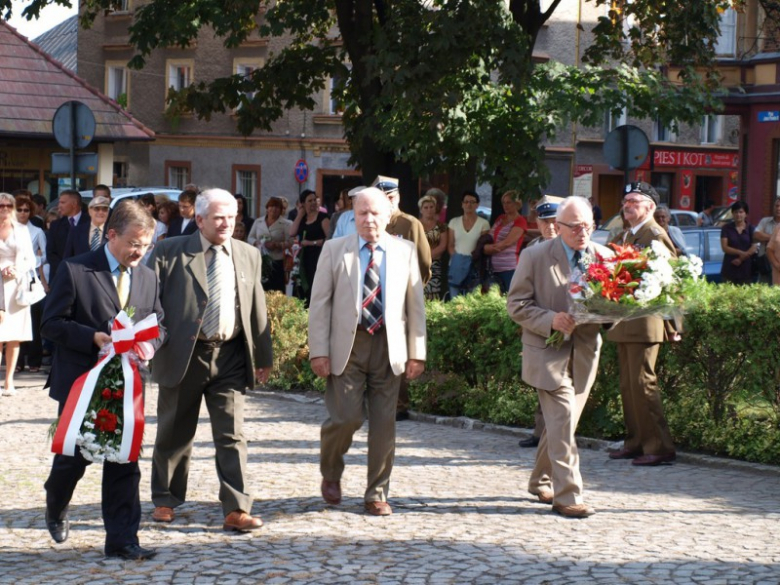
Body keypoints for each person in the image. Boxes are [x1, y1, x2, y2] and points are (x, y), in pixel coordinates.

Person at [41, 200, 164, 560]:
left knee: (125, 460)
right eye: (134, 243)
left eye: (147, 244)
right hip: (83, 382)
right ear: (111, 235)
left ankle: (123, 540)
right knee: (73, 458)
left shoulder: (147, 276)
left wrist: (150, 345)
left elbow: (158, 322)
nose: (140, 251)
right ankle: (56, 502)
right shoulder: (76, 269)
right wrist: (92, 338)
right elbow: (50, 324)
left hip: (127, 384)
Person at [148, 188, 273, 532]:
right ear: (199, 219)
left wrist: (263, 355)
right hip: (183, 354)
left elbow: (255, 306)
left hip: (230, 355)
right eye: (219, 217)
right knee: (174, 431)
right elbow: (145, 301)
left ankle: (236, 508)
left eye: (232, 217)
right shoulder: (168, 251)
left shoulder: (248, 254)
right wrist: (144, 345)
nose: (227, 224)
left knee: (232, 435)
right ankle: (165, 499)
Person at [308, 186, 426, 516]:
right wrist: (318, 351)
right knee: (346, 417)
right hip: (348, 344)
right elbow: (319, 304)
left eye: (375, 213)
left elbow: (416, 307)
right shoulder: (334, 250)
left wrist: (417, 352)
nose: (369, 219)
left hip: (389, 346)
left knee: (385, 423)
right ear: (352, 216)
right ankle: (331, 471)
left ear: (388, 216)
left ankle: (377, 493)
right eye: (362, 213)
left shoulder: (404, 251)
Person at [507, 196, 608, 518]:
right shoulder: (535, 256)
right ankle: (568, 496)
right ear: (558, 226)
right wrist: (550, 319)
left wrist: (613, 312)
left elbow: (612, 309)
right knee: (563, 421)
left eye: (589, 225)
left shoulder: (604, 256)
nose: (583, 232)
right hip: (547, 354)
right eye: (576, 226)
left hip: (585, 354)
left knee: (560, 425)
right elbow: (516, 305)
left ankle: (540, 480)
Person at [607, 182, 677, 467]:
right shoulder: (626, 234)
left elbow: (670, 272)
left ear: (650, 207)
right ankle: (636, 442)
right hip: (626, 319)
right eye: (625, 201)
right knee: (628, 385)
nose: (627, 206)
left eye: (634, 201)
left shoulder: (654, 234)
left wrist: (673, 322)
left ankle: (659, 446)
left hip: (646, 319)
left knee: (642, 383)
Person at [373, 176, 431, 421]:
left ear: (397, 197)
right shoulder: (373, 223)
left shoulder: (409, 224)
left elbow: (424, 261)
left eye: (391, 197)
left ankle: (399, 404)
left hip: (400, 297)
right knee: (376, 350)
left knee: (398, 349)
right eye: (382, 197)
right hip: (373, 296)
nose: (387, 201)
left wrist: (411, 291)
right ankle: (377, 400)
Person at [517, 194, 562, 449]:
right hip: (538, 323)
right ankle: (540, 431)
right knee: (540, 382)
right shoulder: (531, 249)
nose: (550, 227)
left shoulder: (574, 249)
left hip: (567, 325)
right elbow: (521, 293)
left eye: (555, 221)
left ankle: (552, 433)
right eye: (545, 222)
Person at [0, 192, 36, 396]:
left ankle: (9, 381)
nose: (4, 209)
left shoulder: (22, 230)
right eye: (1, 206)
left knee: (14, 336)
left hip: (16, 287)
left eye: (8, 205)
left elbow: (31, 260)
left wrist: (16, 269)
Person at [15, 195, 47, 374]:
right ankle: (17, 360)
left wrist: (33, 259)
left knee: (34, 321)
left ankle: (34, 359)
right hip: (11, 280)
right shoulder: (7, 231)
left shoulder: (37, 231)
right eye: (19, 209)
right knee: (14, 321)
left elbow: (45, 256)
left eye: (26, 210)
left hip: (30, 279)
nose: (22, 213)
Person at [447, 191, 490, 299]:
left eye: (472, 202)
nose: (468, 204)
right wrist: (458, 259)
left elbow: (482, 245)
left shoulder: (483, 223)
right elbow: (450, 245)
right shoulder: (454, 222)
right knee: (455, 299)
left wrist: (470, 260)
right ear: (462, 204)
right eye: (466, 202)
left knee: (472, 300)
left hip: (474, 266)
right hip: (456, 265)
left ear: (477, 205)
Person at [290, 189, 329, 306]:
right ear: (303, 204)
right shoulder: (302, 219)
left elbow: (330, 239)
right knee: (301, 288)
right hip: (303, 259)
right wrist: (300, 214)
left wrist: (312, 243)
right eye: (309, 200)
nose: (313, 202)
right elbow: (292, 232)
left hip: (318, 258)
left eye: (314, 200)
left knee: (314, 288)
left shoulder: (323, 218)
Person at [484, 190, 528, 294]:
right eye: (504, 202)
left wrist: (488, 248)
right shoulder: (500, 219)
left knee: (509, 298)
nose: (505, 205)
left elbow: (507, 243)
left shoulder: (520, 221)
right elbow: (489, 236)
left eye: (509, 202)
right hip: (493, 267)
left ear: (517, 204)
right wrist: (485, 247)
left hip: (509, 267)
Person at [247, 197, 292, 293]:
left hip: (277, 262)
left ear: (280, 210)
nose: (274, 209)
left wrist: (277, 245)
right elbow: (250, 237)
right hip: (261, 260)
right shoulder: (258, 222)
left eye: (277, 207)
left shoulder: (286, 224)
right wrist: (257, 243)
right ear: (267, 208)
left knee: (276, 290)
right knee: (261, 289)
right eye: (271, 206)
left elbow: (291, 241)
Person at [46, 190, 89, 283]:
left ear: (74, 203)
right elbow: (50, 253)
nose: (59, 206)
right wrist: (64, 269)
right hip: (60, 277)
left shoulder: (90, 223)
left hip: (85, 276)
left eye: (63, 202)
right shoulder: (55, 225)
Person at [418, 194, 448, 300]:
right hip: (417, 264)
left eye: (431, 207)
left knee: (433, 296)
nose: (429, 210)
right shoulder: (415, 225)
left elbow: (443, 246)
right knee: (417, 294)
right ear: (421, 210)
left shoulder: (441, 226)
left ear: (435, 208)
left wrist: (427, 257)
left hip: (434, 265)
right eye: (426, 207)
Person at [719, 200, 757, 285]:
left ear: (746, 214)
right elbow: (724, 247)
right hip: (729, 268)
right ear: (732, 214)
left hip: (746, 270)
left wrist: (740, 258)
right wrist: (740, 252)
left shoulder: (751, 228)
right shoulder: (726, 228)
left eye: (741, 212)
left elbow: (754, 247)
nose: (738, 215)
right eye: (736, 212)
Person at [751, 197, 780, 283]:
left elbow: (761, 235)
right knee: (764, 291)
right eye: (776, 206)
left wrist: (765, 237)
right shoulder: (765, 221)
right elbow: (756, 235)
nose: (778, 208)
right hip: (765, 262)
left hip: (778, 263)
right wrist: (775, 238)